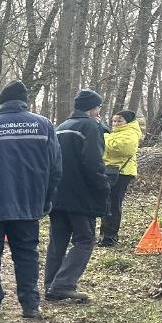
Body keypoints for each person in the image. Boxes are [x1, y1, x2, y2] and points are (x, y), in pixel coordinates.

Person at [0, 80, 61, 318]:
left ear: (1, 102)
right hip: (28, 202)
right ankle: (30, 304)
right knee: (27, 253)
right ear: (24, 100)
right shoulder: (44, 125)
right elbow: (55, 168)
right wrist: (47, 199)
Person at [45, 89, 109, 303]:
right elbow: (93, 162)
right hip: (81, 196)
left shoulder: (61, 127)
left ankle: (50, 283)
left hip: (58, 194)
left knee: (57, 241)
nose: (99, 111)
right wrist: (103, 187)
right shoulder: (90, 126)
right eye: (98, 107)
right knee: (84, 240)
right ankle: (63, 285)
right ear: (92, 108)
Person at [99, 110, 140, 247]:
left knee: (114, 204)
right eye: (114, 121)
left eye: (119, 121)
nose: (116, 123)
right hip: (110, 171)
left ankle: (110, 237)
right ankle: (104, 235)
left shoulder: (131, 133)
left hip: (121, 173)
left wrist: (104, 137)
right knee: (107, 203)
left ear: (127, 122)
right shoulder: (115, 134)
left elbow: (121, 148)